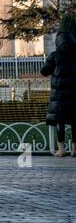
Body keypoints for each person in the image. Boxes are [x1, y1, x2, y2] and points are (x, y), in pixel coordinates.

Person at [40, 18, 75, 157]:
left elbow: (44, 72)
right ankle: (75, 149)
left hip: (59, 98)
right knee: (75, 122)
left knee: (60, 123)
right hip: (74, 96)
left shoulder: (54, 56)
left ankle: (61, 149)